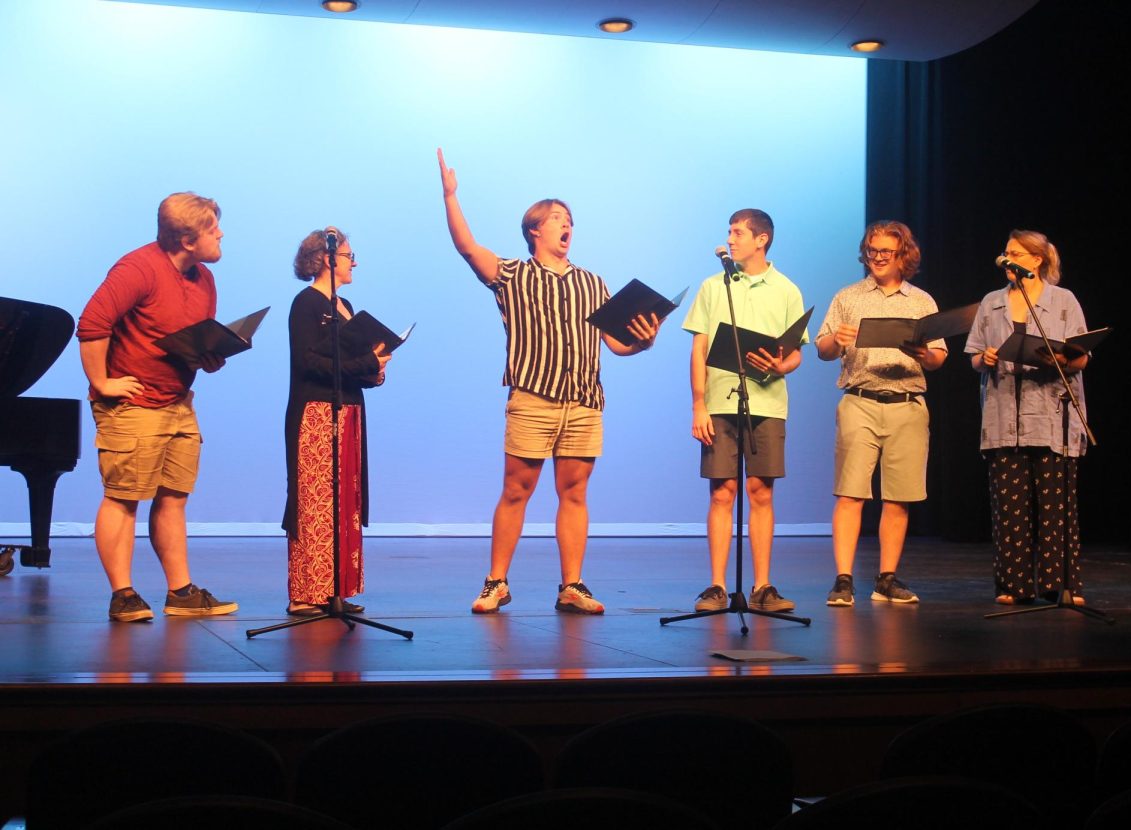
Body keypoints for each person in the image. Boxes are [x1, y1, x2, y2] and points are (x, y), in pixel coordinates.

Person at [437, 148, 659, 615]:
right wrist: (451, 196)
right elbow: (467, 247)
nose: (567, 225)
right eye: (558, 218)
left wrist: (642, 341)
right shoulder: (514, 275)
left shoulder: (593, 282)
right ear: (535, 230)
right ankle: (496, 582)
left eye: (570, 219)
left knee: (574, 493)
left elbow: (615, 345)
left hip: (583, 401)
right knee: (517, 490)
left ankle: (572, 586)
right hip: (533, 398)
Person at [76, 192, 238, 622]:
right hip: (133, 406)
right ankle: (123, 594)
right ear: (187, 239)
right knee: (123, 497)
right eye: (212, 228)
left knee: (173, 498)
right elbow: (92, 323)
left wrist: (208, 356)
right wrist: (101, 382)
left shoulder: (203, 278)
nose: (220, 233)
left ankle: (180, 592)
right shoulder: (138, 269)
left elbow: (184, 338)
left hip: (178, 402)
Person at [815, 220, 947, 607]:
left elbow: (938, 357)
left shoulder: (921, 301)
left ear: (903, 255)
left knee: (898, 497)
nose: (876, 258)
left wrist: (925, 354)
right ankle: (843, 579)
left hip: (907, 404)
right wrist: (833, 341)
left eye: (884, 253)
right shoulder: (849, 296)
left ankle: (886, 578)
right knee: (850, 493)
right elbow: (822, 349)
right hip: (860, 400)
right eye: (871, 251)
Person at [682, 209, 807, 612]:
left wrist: (779, 365)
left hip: (767, 402)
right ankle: (718, 586)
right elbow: (699, 348)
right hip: (719, 401)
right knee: (722, 491)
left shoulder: (786, 289)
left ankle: (763, 586)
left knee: (761, 491)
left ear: (762, 239)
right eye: (729, 232)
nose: (730, 239)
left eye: (738, 233)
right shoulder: (713, 286)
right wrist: (698, 403)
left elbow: (794, 355)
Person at [965, 230, 1089, 605]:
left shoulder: (1062, 301)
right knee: (1009, 508)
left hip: (1051, 416)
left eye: (1016, 253)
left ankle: (1061, 585)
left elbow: (1082, 356)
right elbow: (973, 355)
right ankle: (1013, 585)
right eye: (1006, 252)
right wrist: (983, 359)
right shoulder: (992, 302)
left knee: (1056, 507)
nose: (1008, 258)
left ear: (1036, 260)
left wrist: (1060, 358)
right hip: (1004, 416)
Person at [282, 228, 390, 616]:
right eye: (348, 254)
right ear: (326, 258)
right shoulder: (306, 303)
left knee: (346, 500)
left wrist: (375, 371)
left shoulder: (345, 304)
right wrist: (366, 363)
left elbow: (351, 366)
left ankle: (336, 589)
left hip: (348, 410)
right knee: (314, 500)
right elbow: (309, 362)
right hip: (315, 412)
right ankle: (305, 591)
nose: (353, 262)